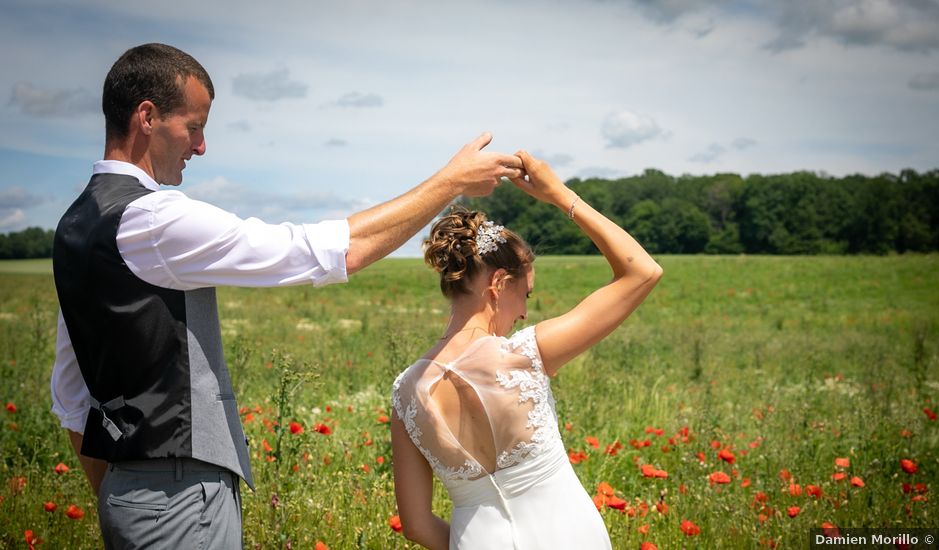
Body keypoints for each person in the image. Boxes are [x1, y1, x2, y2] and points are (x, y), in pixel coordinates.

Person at [50, 42, 523, 549]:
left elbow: (73, 396)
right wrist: (450, 183)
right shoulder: (153, 219)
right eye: (194, 127)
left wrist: (123, 493)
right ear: (147, 116)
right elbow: (323, 251)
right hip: (179, 494)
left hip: (129, 495)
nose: (201, 146)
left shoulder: (75, 227)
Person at [390, 150, 663, 549]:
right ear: (499, 284)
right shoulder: (524, 354)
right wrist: (559, 194)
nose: (524, 314)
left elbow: (415, 525)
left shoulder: (405, 391)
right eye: (526, 294)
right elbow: (643, 270)